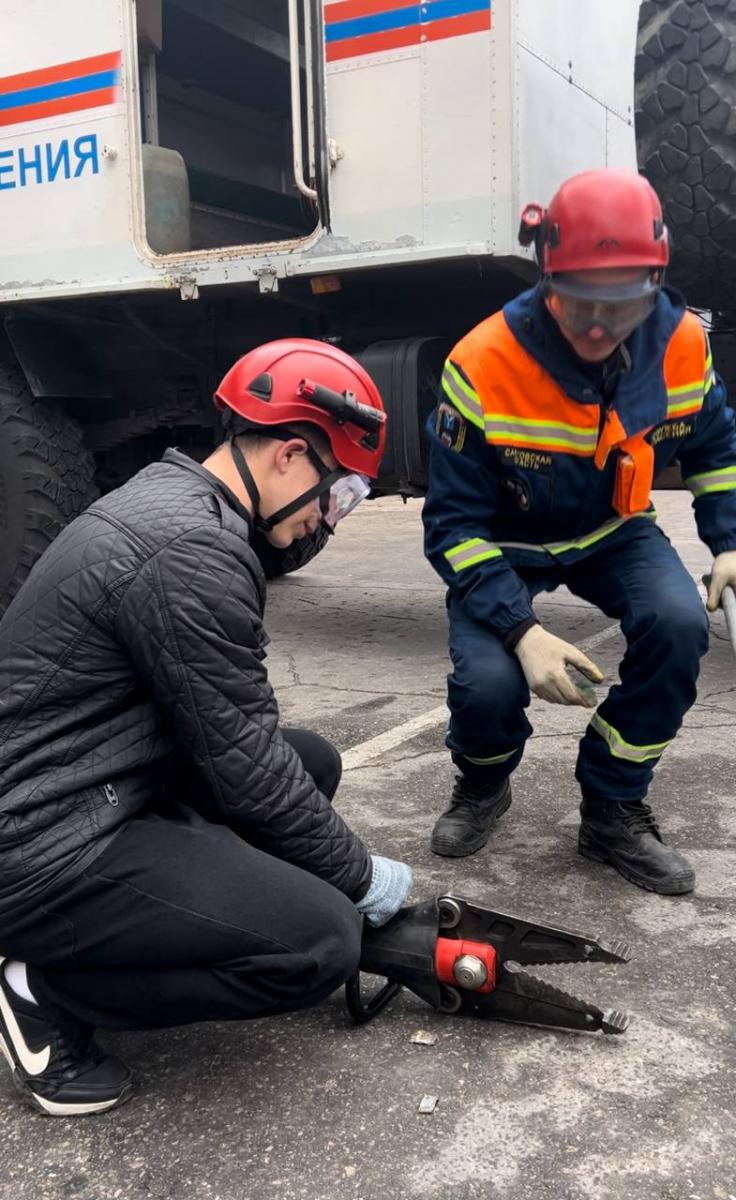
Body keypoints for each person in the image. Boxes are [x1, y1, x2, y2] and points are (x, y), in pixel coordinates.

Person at [0, 338, 412, 1117]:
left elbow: (244, 751)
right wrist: (360, 879)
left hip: (88, 778)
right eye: (340, 493)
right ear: (291, 454)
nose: (333, 518)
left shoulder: (177, 498)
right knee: (320, 942)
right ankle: (42, 992)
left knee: (312, 763)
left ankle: (171, 901)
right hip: (37, 840)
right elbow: (248, 769)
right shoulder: (190, 549)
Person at [423, 168, 736, 895]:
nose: (598, 327)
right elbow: (452, 526)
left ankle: (613, 807)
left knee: (680, 623)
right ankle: (482, 785)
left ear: (654, 287)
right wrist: (520, 630)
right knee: (488, 687)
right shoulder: (482, 362)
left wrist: (728, 540)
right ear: (545, 277)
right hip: (504, 542)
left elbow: (716, 449)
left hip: (612, 529)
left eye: (621, 308)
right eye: (579, 305)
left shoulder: (684, 344)